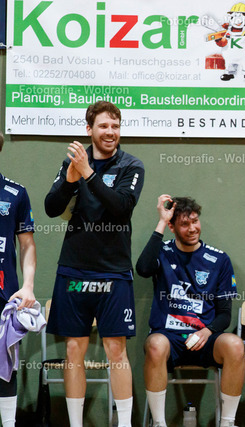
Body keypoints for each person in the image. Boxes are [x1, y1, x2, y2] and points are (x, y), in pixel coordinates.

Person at [44, 101, 145, 427]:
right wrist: (70, 179)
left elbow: (121, 208)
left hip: (113, 272)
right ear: (89, 129)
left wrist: (88, 173)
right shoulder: (72, 162)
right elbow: (50, 207)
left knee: (116, 351)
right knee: (74, 349)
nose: (110, 132)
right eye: (103, 126)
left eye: (115, 126)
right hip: (74, 270)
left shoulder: (131, 166)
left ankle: (125, 424)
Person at [137, 195, 244, 427]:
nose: (193, 228)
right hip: (169, 338)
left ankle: (227, 422)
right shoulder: (162, 251)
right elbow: (143, 268)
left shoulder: (219, 259)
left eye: (195, 221)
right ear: (172, 227)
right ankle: (159, 423)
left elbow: (225, 314)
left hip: (205, 338)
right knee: (155, 345)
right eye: (184, 224)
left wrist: (207, 331)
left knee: (235, 345)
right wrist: (161, 221)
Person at [0, 133, 36, 427]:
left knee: (5, 363)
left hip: (4, 294)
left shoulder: (15, 193)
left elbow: (27, 245)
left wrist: (28, 286)